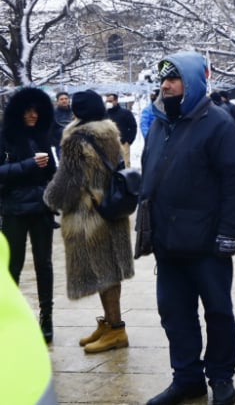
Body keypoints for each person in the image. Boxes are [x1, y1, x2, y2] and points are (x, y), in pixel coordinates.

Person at [141, 52, 235, 405]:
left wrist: (230, 233)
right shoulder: (161, 124)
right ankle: (186, 377)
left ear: (191, 82)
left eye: (174, 79)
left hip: (207, 244)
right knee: (174, 314)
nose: (166, 85)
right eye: (163, 80)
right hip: (168, 243)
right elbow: (153, 170)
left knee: (218, 312)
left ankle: (221, 377)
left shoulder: (217, 123)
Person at [42, 90, 133, 354]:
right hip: (111, 211)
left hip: (90, 216)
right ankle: (109, 324)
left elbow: (67, 183)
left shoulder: (76, 139)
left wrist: (49, 198)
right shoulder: (110, 133)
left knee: (104, 272)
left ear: (77, 111)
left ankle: (116, 330)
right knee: (109, 270)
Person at [0, 87, 57, 344]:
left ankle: (47, 317)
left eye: (37, 110)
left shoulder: (43, 135)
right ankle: (9, 317)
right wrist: (28, 165)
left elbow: (52, 172)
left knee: (44, 264)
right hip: (14, 209)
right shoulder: (6, 137)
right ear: (19, 111)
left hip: (41, 210)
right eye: (28, 110)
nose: (33, 115)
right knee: (13, 265)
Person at [0, 233, 57, 405]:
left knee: (42, 264)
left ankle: (46, 317)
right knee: (17, 266)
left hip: (27, 384)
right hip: (36, 379)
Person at [104, 94, 137, 168]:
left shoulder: (125, 113)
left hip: (123, 144)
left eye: (110, 101)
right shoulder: (104, 115)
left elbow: (133, 127)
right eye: (107, 101)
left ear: (116, 101)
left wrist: (129, 141)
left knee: (125, 165)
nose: (108, 103)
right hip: (109, 145)